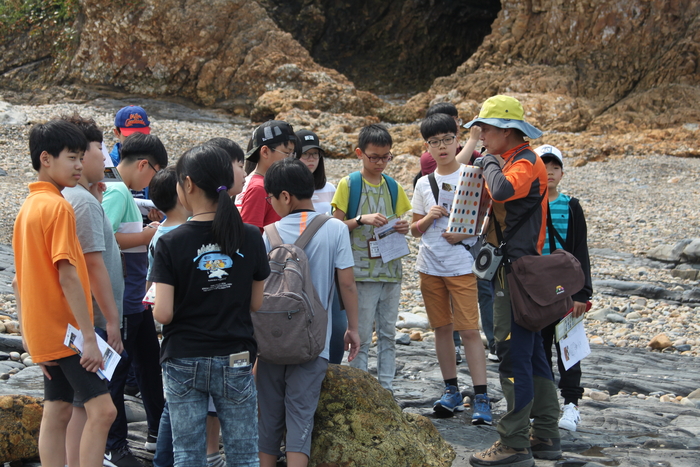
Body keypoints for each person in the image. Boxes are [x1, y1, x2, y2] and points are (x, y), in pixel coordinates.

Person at [151, 144, 270, 465]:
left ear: (187, 184)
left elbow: (163, 313)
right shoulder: (249, 236)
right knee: (244, 454)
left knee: (188, 454)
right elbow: (256, 303)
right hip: (236, 356)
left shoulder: (170, 242)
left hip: (184, 358)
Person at [12, 119, 117, 467]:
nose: (78, 165)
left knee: (56, 411)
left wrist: (29, 336)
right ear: (46, 158)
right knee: (103, 411)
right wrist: (89, 336)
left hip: (43, 331)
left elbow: (18, 282)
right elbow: (69, 275)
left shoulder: (28, 208)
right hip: (68, 332)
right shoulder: (58, 207)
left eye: (80, 157)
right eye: (71, 157)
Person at [465, 95, 562, 466]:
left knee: (512, 353)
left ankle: (514, 443)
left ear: (507, 131)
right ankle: (546, 434)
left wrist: (487, 161)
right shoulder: (514, 159)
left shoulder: (523, 162)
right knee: (533, 352)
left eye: (486, 129)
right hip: (520, 270)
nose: (482, 135)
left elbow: (503, 190)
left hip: (515, 273)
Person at [258, 157, 360, 467]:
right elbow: (347, 284)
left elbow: (257, 286)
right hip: (313, 341)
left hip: (271, 339)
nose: (271, 204)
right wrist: (353, 328)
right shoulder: (334, 229)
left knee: (268, 417)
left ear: (285, 196)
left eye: (271, 198)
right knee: (301, 418)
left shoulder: (268, 232)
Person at [411, 113, 492, 424]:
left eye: (447, 139)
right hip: (429, 266)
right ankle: (451, 391)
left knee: (470, 330)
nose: (442, 146)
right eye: (434, 142)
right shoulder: (422, 183)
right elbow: (414, 229)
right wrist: (428, 218)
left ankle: (481, 396)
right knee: (441, 329)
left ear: (457, 139)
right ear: (427, 147)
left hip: (461, 265)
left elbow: (485, 220)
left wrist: (464, 234)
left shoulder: (473, 175)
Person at [59, 114, 125, 467]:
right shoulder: (81, 203)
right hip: (92, 323)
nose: (107, 157)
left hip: (88, 321)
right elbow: (92, 265)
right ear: (80, 157)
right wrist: (112, 321)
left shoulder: (83, 198)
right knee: (97, 409)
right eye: (101, 148)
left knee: (79, 407)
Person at [101, 133, 167, 466]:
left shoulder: (123, 192)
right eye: (156, 173)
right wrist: (146, 234)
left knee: (149, 364)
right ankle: (115, 445)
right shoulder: (115, 192)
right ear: (144, 165)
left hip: (136, 298)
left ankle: (157, 430)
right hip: (123, 298)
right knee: (119, 371)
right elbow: (104, 237)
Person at [331, 124, 411, 392]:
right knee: (361, 336)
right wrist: (360, 219)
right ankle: (360, 392)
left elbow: (401, 222)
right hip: (361, 274)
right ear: (359, 154)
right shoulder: (349, 184)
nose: (380, 163)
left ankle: (386, 391)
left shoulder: (393, 186)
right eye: (374, 157)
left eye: (386, 157)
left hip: (391, 270)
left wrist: (403, 227)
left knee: (388, 335)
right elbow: (335, 228)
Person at [534, 144, 592, 432]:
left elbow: (581, 250)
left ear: (562, 172)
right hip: (536, 291)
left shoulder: (571, 206)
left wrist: (582, 293)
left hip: (567, 289)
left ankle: (571, 406)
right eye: (544, 167)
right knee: (540, 348)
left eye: (555, 167)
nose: (550, 172)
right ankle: (545, 405)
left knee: (569, 348)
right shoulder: (529, 202)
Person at [294, 129, 347, 364]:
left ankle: (332, 373)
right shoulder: (289, 191)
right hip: (296, 269)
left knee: (337, 326)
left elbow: (339, 227)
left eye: (315, 154)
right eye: (306, 154)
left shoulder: (331, 189)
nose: (311, 159)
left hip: (329, 267)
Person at [235, 120, 297, 232]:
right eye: (287, 153)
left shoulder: (251, 182)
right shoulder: (260, 188)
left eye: (293, 154)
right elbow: (250, 235)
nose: (291, 159)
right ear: (265, 152)